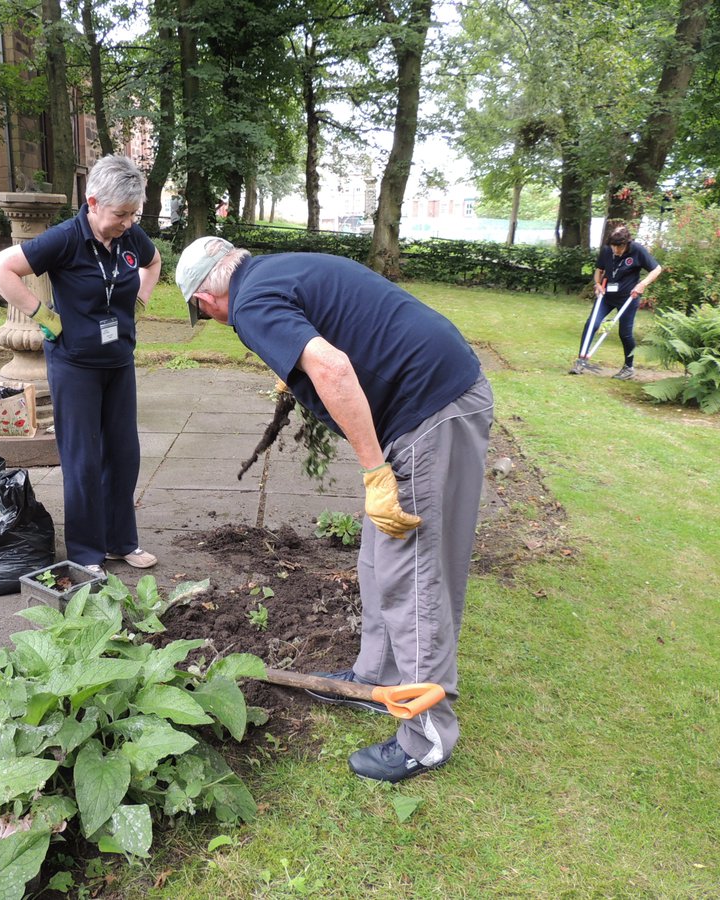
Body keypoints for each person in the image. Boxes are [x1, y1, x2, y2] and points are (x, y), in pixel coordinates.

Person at [175, 236, 494, 783]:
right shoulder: (273, 272)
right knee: (378, 559)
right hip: (432, 392)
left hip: (430, 408)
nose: (212, 319)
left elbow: (333, 366)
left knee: (413, 573)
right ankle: (377, 680)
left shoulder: (249, 305)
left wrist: (375, 471)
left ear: (206, 298)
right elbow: (332, 328)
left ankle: (427, 734)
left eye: (202, 313)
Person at [0, 156, 163, 576]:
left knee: (123, 454)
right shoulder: (64, 239)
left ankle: (122, 541)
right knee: (82, 458)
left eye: (133, 214)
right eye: (120, 214)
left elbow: (153, 264)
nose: (127, 222)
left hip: (118, 361)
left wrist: (139, 301)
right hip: (74, 365)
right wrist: (42, 317)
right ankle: (86, 552)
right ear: (93, 202)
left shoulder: (131, 237)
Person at [569, 224, 662, 379]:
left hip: (628, 297)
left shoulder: (637, 250)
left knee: (625, 333)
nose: (616, 251)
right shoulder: (607, 250)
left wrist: (642, 284)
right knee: (592, 323)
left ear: (626, 244)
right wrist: (597, 284)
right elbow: (599, 270)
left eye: (619, 248)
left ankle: (628, 368)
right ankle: (581, 360)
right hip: (606, 296)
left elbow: (657, 269)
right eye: (613, 247)